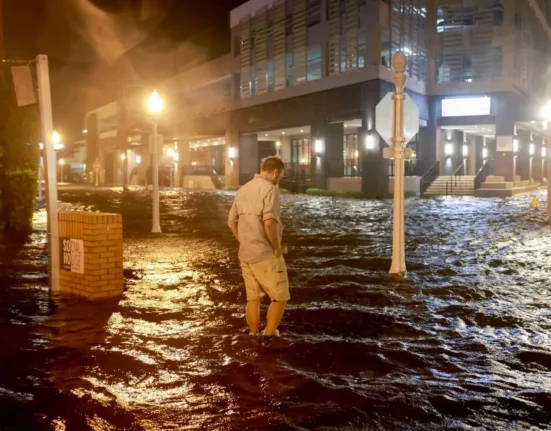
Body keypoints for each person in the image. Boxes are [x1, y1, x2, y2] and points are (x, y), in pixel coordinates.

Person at [228, 156, 289, 346]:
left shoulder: (243, 189)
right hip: (265, 254)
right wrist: (277, 248)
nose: (280, 179)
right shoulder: (271, 190)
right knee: (280, 296)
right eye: (281, 175)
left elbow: (231, 221)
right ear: (276, 172)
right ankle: (269, 336)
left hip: (245, 253)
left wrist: (244, 241)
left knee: (253, 298)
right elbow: (269, 222)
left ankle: (253, 335)